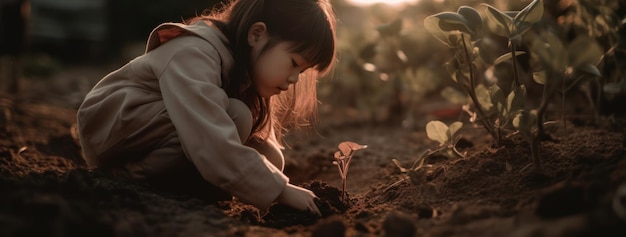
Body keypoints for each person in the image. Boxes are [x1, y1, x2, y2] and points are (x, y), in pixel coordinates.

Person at [76, 0, 336, 215]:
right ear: (257, 34)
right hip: (112, 128)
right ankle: (126, 176)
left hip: (150, 128)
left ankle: (187, 183)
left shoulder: (242, 71)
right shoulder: (195, 50)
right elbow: (207, 132)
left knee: (268, 156)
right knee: (235, 117)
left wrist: (273, 182)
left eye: (302, 72)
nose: (294, 79)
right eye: (293, 63)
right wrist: (281, 190)